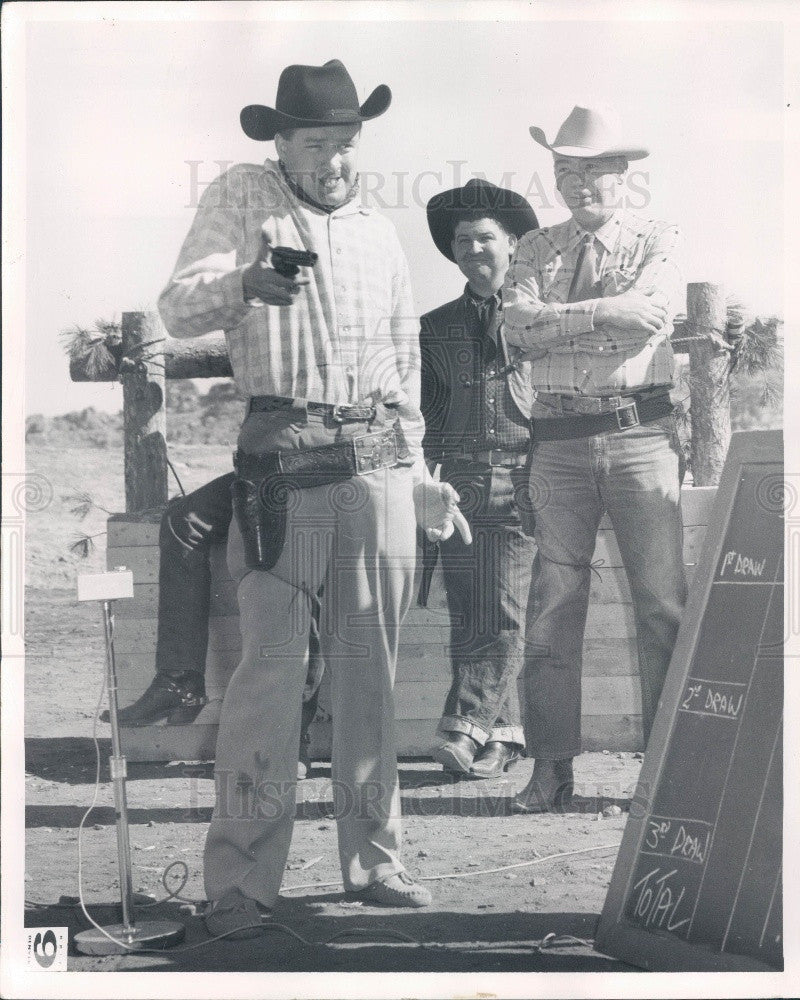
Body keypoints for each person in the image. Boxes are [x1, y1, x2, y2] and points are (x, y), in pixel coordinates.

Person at [158, 59, 470, 936]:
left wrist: (419, 477)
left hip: (374, 463)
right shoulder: (242, 196)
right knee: (269, 678)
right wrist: (244, 285)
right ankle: (241, 886)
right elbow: (179, 307)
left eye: (345, 142)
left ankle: (375, 861)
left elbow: (405, 368)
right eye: (316, 143)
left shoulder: (376, 227)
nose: (334, 158)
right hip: (283, 460)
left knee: (371, 677)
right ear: (282, 142)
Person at [502, 106, 687, 812]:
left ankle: (669, 774)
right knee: (552, 606)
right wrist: (598, 321)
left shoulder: (658, 236)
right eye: (565, 170)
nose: (578, 183)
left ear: (621, 174)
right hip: (556, 444)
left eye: (593, 169)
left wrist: (558, 326)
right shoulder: (533, 247)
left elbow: (649, 316)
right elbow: (513, 325)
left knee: (662, 606)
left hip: (641, 437)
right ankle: (550, 771)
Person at [419, 179, 539, 778]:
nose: (472, 248)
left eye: (485, 237)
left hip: (525, 478)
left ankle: (463, 728)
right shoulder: (433, 327)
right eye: (462, 240)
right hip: (458, 489)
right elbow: (424, 412)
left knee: (505, 611)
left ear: (513, 244)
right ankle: (504, 738)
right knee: (471, 615)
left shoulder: (540, 318)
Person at [100, 475, 324, 778]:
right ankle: (179, 681)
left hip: (330, 475)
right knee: (185, 520)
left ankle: (292, 735)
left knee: (294, 551)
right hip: (265, 467)